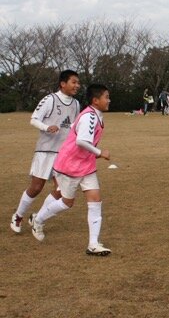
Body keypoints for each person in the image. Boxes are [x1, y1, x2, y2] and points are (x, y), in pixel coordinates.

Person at [30, 84, 112, 256]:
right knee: (67, 203)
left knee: (95, 200)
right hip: (70, 166)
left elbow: (76, 132)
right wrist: (99, 152)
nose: (109, 100)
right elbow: (81, 141)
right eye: (106, 97)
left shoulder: (94, 114)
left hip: (86, 165)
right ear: (95, 101)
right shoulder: (90, 116)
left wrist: (92, 154)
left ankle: (93, 244)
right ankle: (37, 219)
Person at [10, 70, 81, 234]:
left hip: (63, 154)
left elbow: (74, 125)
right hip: (45, 150)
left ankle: (38, 217)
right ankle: (18, 216)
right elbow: (34, 119)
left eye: (78, 83)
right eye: (73, 82)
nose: (77, 85)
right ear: (63, 83)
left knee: (61, 191)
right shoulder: (50, 99)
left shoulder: (76, 104)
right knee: (36, 187)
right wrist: (47, 127)